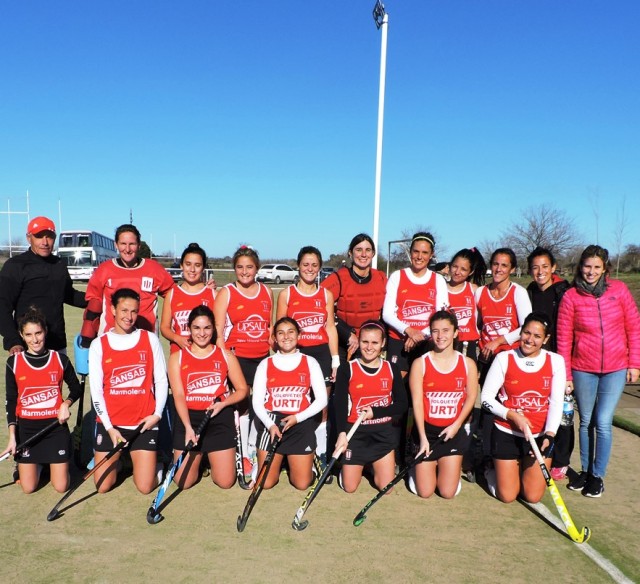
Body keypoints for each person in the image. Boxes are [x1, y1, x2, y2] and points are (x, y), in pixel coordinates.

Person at [557, 245, 640, 497]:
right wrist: (567, 376)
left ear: (605, 269)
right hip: (583, 368)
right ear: (580, 267)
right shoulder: (571, 296)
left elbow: (633, 327)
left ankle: (597, 475)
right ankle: (584, 471)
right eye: (587, 266)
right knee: (586, 422)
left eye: (596, 267)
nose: (591, 272)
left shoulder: (620, 291)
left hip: (616, 367)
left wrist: (634, 363)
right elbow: (564, 338)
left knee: (603, 421)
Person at [89, 288, 168, 494]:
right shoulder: (99, 344)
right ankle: (123, 461)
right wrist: (109, 427)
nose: (129, 316)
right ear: (113, 310)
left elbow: (161, 381)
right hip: (112, 426)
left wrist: (156, 415)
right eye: (124, 310)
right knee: (102, 486)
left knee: (145, 487)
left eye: (134, 311)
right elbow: (96, 391)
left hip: (143, 424)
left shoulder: (149, 339)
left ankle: (158, 466)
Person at [480, 312, 565, 503]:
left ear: (546, 339)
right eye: (526, 333)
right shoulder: (504, 358)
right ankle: (489, 469)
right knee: (508, 496)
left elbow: (556, 401)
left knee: (533, 497)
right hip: (506, 432)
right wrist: (511, 415)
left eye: (537, 336)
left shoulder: (556, 361)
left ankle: (516, 469)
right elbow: (485, 398)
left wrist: (550, 435)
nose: (530, 340)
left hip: (538, 436)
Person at [1, 307, 83, 493]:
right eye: (29, 334)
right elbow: (11, 401)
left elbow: (76, 388)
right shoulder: (13, 363)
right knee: (28, 488)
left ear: (45, 331)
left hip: (54, 428)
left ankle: (53, 464)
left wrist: (66, 403)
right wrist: (13, 437)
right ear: (22, 335)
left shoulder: (60, 359)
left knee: (61, 486)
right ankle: (39, 465)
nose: (35, 339)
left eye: (38, 333)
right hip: (28, 430)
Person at [168, 305, 249, 489]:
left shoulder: (226, 355)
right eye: (196, 328)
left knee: (225, 482)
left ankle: (208, 457)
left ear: (213, 329)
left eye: (207, 328)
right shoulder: (177, 358)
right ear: (189, 328)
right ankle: (201, 459)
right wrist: (188, 427)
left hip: (218, 418)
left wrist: (223, 404)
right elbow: (179, 395)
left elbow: (243, 389)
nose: (202, 333)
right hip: (189, 419)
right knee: (183, 482)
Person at [213, 246, 273, 478]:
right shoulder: (226, 293)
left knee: (259, 405)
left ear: (257, 268)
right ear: (234, 269)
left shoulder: (267, 292)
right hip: (236, 358)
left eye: (249, 267)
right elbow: (218, 331)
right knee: (240, 405)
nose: (245, 271)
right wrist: (223, 360)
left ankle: (252, 447)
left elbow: (268, 329)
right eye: (240, 267)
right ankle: (242, 452)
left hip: (261, 359)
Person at [276, 246, 339, 464]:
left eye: (314, 265)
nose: (309, 269)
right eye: (305, 264)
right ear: (298, 266)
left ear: (320, 268)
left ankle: (320, 453)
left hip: (321, 354)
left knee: (321, 406)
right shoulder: (287, 294)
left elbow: (330, 327)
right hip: (295, 354)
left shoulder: (326, 295)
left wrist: (335, 359)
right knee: (296, 403)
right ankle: (290, 448)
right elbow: (279, 329)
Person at [408, 310, 478, 498]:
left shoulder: (468, 363)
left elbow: (471, 397)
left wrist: (456, 426)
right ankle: (416, 466)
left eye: (446, 330)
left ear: (455, 332)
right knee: (425, 492)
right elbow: (417, 403)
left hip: (452, 433)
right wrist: (422, 437)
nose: (440, 336)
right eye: (435, 331)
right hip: (427, 434)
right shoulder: (420, 363)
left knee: (447, 493)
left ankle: (448, 470)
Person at [252, 317, 328, 489]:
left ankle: (305, 463)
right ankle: (262, 462)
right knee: (266, 483)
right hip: (272, 424)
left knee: (302, 484)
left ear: (299, 335)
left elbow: (322, 399)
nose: (286, 337)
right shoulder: (266, 364)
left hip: (299, 422)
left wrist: (298, 418)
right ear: (274, 338)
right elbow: (257, 402)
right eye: (280, 333)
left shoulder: (310, 362)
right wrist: (271, 425)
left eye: (290, 332)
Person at [333, 320, 408, 493]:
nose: (369, 347)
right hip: (356, 435)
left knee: (386, 488)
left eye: (375, 342)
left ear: (383, 344)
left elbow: (402, 405)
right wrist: (342, 433)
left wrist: (376, 412)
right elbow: (340, 404)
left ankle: (371, 465)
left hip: (382, 436)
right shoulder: (347, 368)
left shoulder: (391, 368)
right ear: (358, 342)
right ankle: (358, 466)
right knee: (349, 487)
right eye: (365, 341)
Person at [0, 216, 86, 354]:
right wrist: (13, 341)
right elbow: (2, 307)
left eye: (50, 237)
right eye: (39, 236)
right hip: (26, 346)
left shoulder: (59, 264)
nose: (45, 242)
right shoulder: (15, 266)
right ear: (29, 238)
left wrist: (101, 298)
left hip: (57, 345)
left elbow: (69, 295)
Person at [80, 224, 174, 345]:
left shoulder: (154, 269)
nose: (127, 249)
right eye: (123, 244)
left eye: (132, 244)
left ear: (139, 245)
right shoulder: (104, 270)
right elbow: (93, 305)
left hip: (146, 341)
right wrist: (88, 335)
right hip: (111, 340)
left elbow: (175, 295)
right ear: (116, 245)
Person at [525, 247, 573, 481]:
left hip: (560, 358)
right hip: (537, 358)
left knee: (563, 412)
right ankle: (541, 449)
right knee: (540, 407)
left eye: (544, 266)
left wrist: (568, 368)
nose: (540, 271)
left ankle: (562, 460)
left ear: (553, 268)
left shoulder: (564, 291)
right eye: (535, 267)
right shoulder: (531, 290)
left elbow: (568, 329)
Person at [383, 232, 448, 375]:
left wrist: (419, 335)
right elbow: (387, 314)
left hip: (426, 341)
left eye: (425, 252)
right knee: (398, 388)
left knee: (423, 387)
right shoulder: (397, 276)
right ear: (410, 252)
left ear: (431, 255)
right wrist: (409, 331)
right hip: (399, 341)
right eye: (416, 251)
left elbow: (441, 317)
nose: (419, 257)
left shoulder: (438, 280)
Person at [321, 234, 387, 361]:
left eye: (368, 250)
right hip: (343, 343)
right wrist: (346, 333)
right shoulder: (339, 278)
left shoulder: (381, 278)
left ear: (373, 254)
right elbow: (318, 305)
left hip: (369, 345)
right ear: (350, 253)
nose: (363, 254)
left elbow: (390, 311)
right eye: (358, 250)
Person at [160, 242, 216, 353]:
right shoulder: (172, 294)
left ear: (203, 267)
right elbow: (164, 328)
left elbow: (219, 328)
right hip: (179, 356)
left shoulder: (213, 294)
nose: (192, 269)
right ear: (181, 265)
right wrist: (177, 338)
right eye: (188, 264)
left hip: (205, 356)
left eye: (197, 265)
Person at [445, 247, 486, 363]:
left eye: (463, 269)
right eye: (455, 266)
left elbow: (480, 317)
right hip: (446, 342)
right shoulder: (440, 288)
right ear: (449, 266)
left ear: (471, 272)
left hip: (468, 344)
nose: (457, 272)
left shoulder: (474, 290)